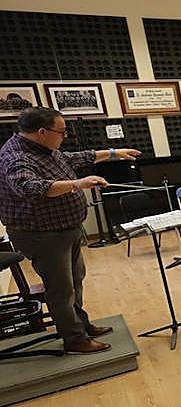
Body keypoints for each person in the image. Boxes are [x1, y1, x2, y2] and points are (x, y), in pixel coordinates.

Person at [0, 107, 140, 354]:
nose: (64, 136)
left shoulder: (43, 149)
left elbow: (73, 159)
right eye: (62, 132)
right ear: (42, 132)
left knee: (75, 280)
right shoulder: (16, 157)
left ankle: (80, 325)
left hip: (65, 229)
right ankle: (74, 339)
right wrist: (77, 184)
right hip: (42, 234)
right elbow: (31, 188)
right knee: (60, 288)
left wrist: (112, 153)